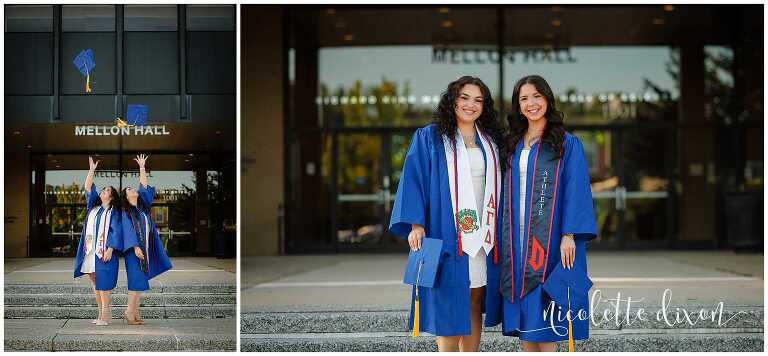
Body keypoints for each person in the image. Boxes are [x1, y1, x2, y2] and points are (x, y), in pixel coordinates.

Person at [390, 76, 506, 352]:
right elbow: (414, 179)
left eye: (478, 100)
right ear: (452, 100)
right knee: (450, 299)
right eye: (465, 98)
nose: (471, 105)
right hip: (448, 231)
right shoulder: (430, 137)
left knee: (476, 298)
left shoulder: (491, 141)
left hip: (484, 234)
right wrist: (416, 224)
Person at [498, 75, 598, 351]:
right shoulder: (512, 144)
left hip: (551, 240)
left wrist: (569, 235)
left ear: (547, 99)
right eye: (524, 98)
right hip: (516, 240)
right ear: (518, 106)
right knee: (527, 327)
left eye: (536, 96)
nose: (531, 103)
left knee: (549, 318)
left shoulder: (565, 143)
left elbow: (576, 189)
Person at [120, 154, 173, 325]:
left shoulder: (142, 208)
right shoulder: (126, 213)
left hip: (145, 250)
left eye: (131, 188)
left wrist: (142, 167)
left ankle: (135, 312)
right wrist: (135, 247)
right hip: (134, 251)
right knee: (136, 281)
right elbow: (127, 232)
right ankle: (129, 312)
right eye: (128, 190)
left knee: (140, 282)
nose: (132, 189)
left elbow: (143, 186)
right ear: (126, 197)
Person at [73, 156, 122, 326]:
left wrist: (110, 249)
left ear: (112, 197)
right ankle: (100, 313)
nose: (104, 190)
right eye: (104, 189)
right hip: (90, 251)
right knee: (95, 283)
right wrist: (92, 170)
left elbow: (116, 232)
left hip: (104, 252)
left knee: (104, 283)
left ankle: (106, 315)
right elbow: (87, 187)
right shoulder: (93, 208)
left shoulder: (114, 213)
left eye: (108, 190)